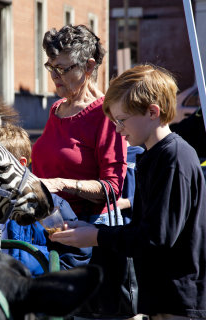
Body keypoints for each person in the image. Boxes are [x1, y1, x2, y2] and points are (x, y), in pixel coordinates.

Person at [50, 64, 206, 320]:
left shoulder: (173, 159)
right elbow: (146, 230)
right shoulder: (155, 155)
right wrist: (92, 232)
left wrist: (97, 236)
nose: (118, 130)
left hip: (179, 303)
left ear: (152, 112)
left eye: (121, 120)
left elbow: (156, 238)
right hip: (165, 299)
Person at [31, 24, 127, 225]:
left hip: (89, 227)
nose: (54, 76)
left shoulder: (106, 114)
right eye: (51, 67)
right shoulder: (57, 108)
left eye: (62, 69)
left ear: (89, 67)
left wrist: (62, 184)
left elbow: (112, 188)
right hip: (51, 220)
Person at [0, 123, 81, 275]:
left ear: (21, 164)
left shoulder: (51, 205)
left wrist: (53, 282)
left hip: (33, 288)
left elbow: (75, 253)